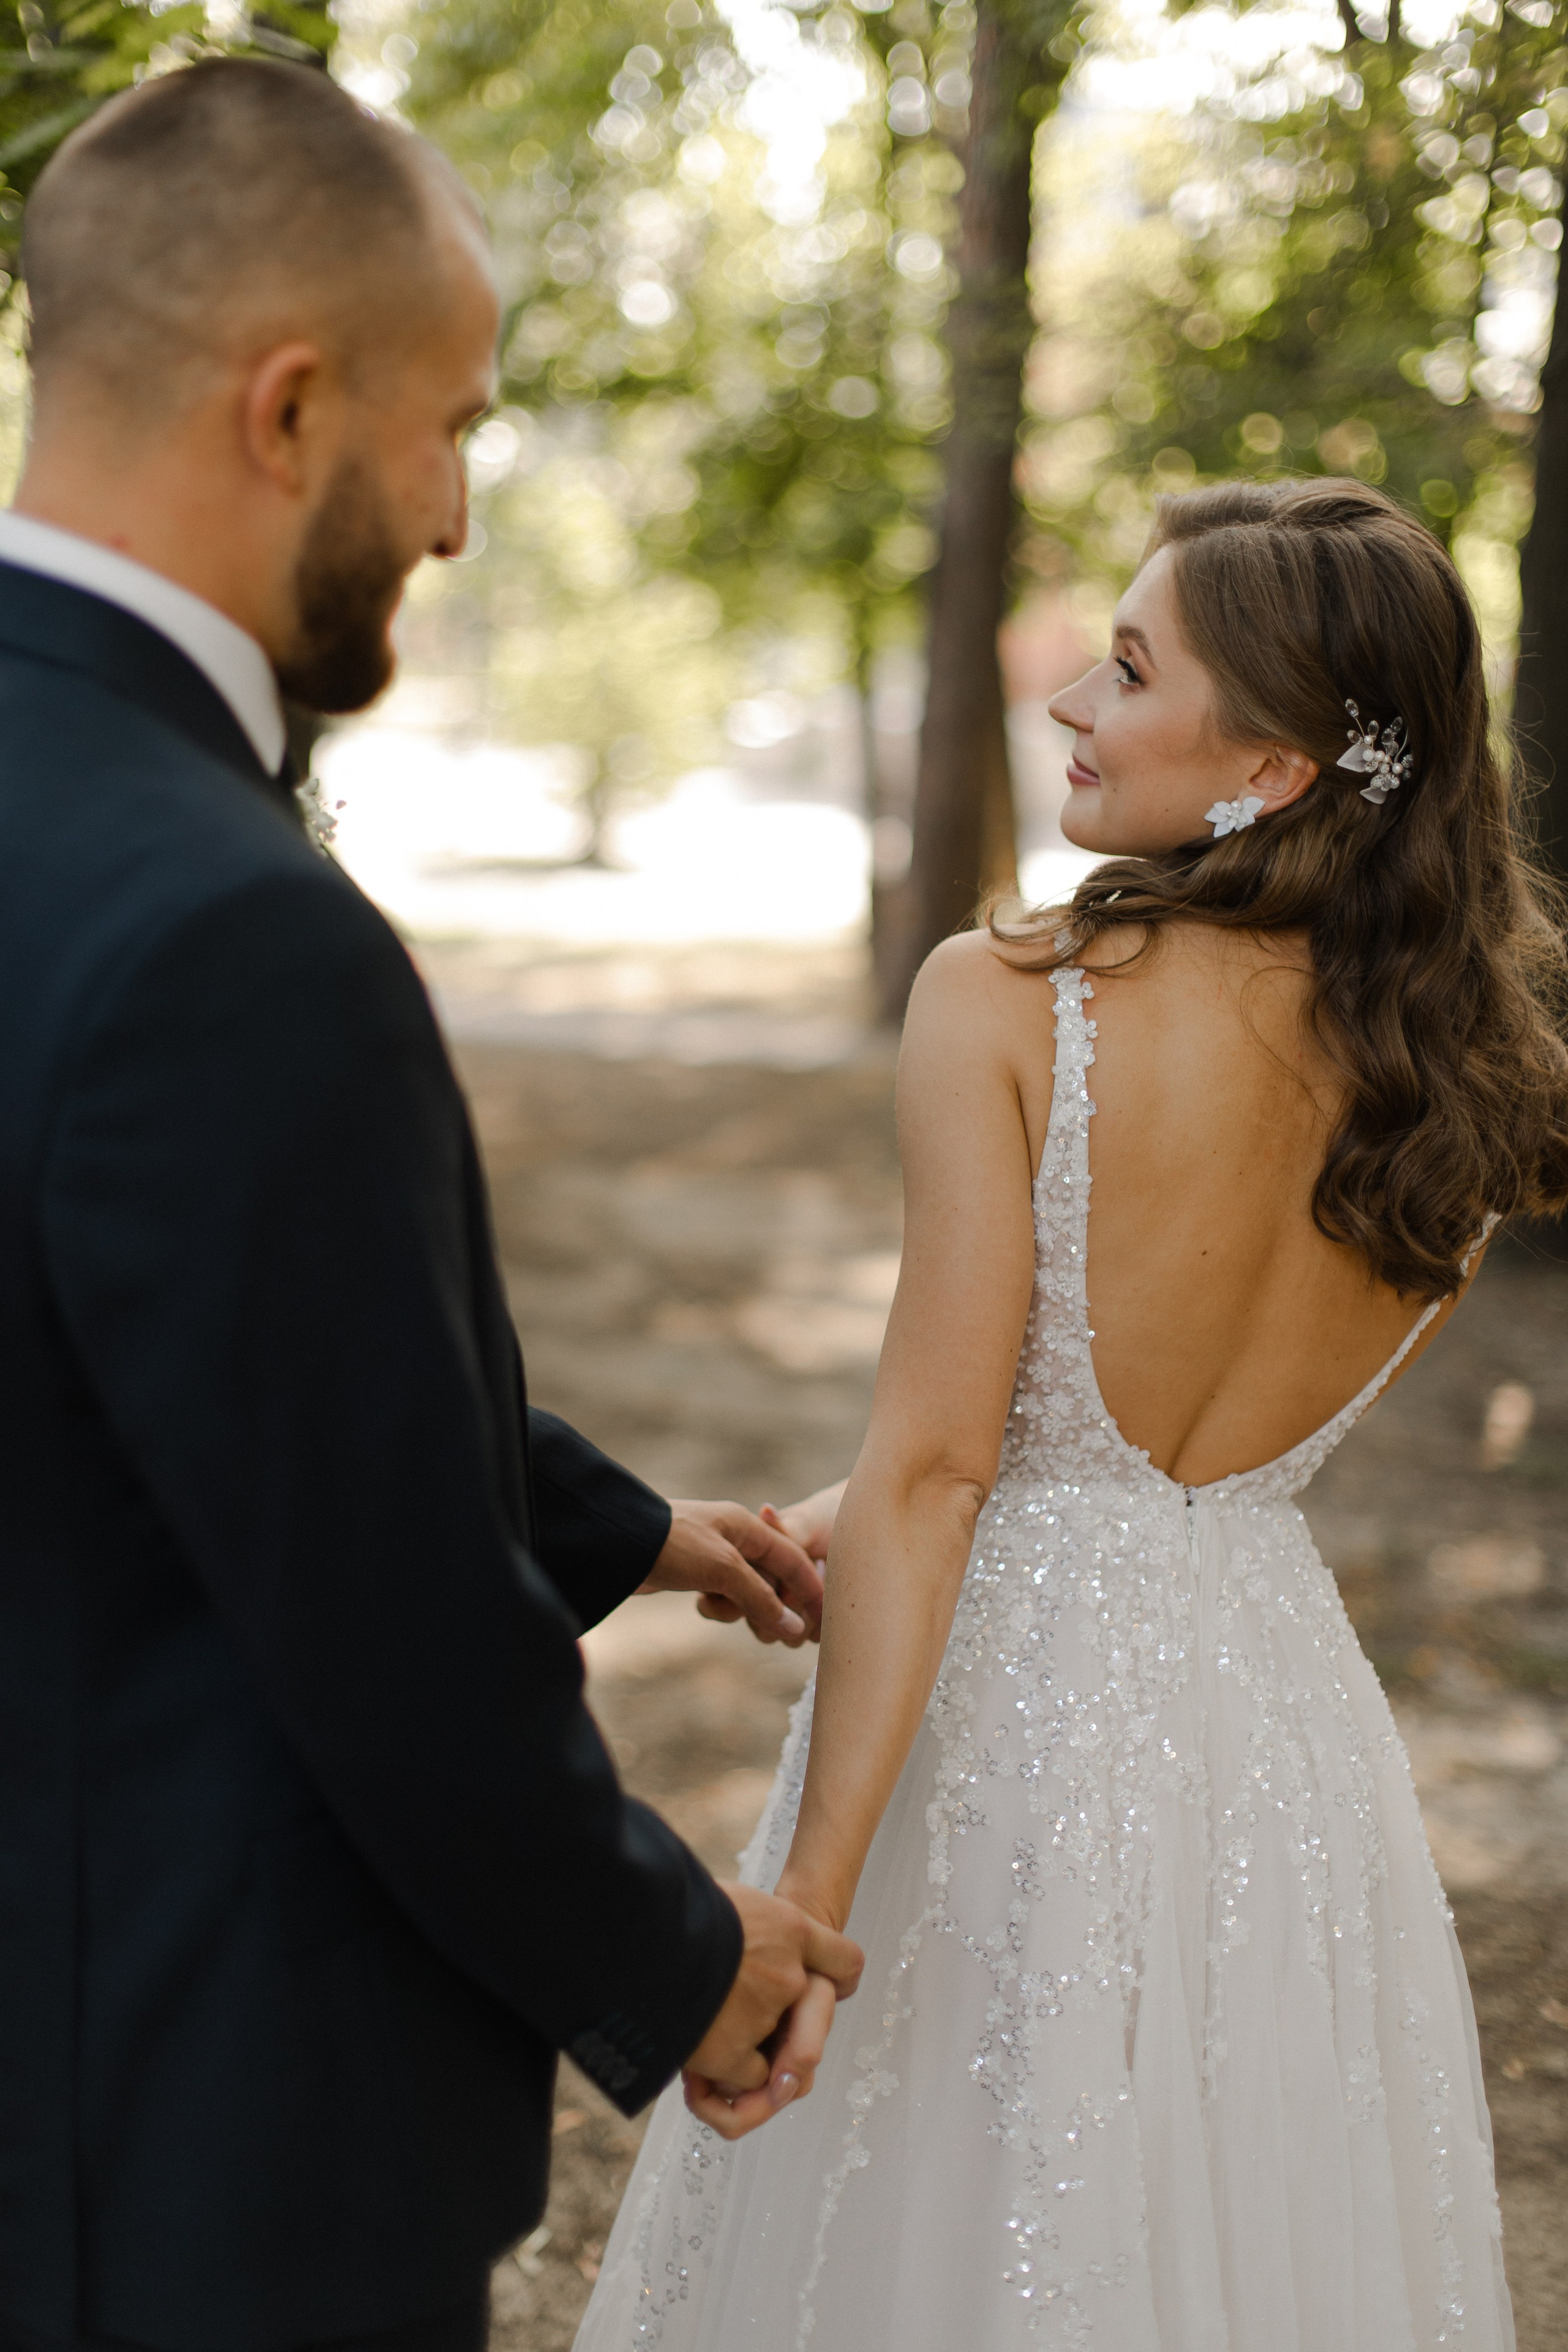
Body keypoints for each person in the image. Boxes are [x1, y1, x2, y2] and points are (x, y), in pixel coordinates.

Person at [0, 58, 863, 2352]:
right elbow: (373, 1622)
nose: (462, 516)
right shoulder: (228, 927)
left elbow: (147, 1358)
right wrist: (685, 1957)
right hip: (156, 2163)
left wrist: (616, 1521)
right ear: (290, 410)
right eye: (449, 428)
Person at [577, 477, 1568, 2350]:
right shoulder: (1463, 1083)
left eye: (1126, 670)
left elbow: (961, 1465)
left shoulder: (1011, 998)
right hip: (1273, 1741)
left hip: (1002, 1716)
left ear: (1272, 769)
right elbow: (1131, 1455)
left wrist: (806, 1902)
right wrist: (824, 1510)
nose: (1069, 706)